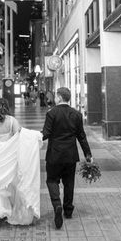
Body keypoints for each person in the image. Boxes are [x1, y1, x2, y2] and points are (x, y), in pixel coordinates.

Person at [42, 87, 92, 229]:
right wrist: (88, 155)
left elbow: (46, 134)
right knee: (69, 182)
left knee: (52, 180)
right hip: (70, 155)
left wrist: (32, 137)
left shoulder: (51, 113)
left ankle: (57, 205)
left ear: (58, 97)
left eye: (55, 96)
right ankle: (68, 210)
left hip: (54, 155)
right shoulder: (76, 114)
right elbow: (82, 137)